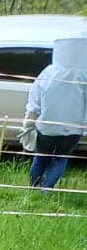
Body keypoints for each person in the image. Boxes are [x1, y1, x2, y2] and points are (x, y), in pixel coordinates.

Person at [22, 34, 87, 189]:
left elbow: (34, 101)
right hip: (73, 129)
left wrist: (28, 123)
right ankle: (46, 189)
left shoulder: (48, 72)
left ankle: (34, 186)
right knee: (60, 159)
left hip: (47, 126)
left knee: (41, 158)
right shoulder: (84, 75)